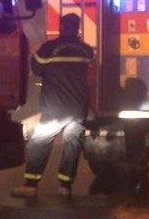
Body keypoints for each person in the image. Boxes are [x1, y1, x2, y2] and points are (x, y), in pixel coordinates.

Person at [23, 12, 97, 196]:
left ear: (61, 27)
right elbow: (93, 75)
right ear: (77, 28)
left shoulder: (48, 49)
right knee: (72, 147)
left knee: (40, 142)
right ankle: (65, 186)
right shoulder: (87, 51)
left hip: (54, 110)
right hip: (78, 109)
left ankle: (30, 185)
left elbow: (36, 69)